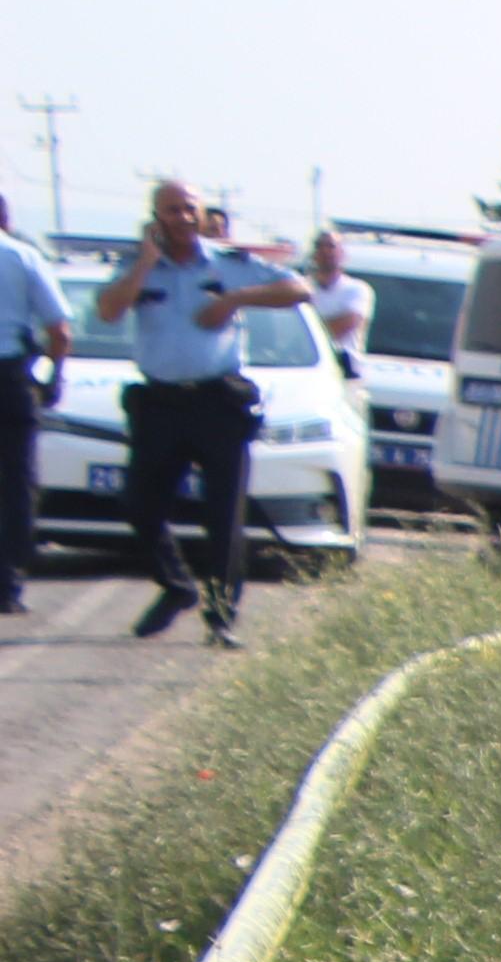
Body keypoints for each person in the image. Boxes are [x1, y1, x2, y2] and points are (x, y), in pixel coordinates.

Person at [91, 181, 310, 642]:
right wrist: (146, 263)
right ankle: (176, 586)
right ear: (156, 217)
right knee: (139, 504)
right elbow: (108, 311)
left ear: (201, 212)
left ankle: (221, 616)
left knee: (223, 514)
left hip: (217, 403)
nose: (183, 218)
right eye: (172, 210)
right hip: (160, 404)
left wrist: (234, 299)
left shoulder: (227, 263)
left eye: (189, 209)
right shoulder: (137, 265)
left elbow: (298, 289)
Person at [0, 193, 69, 617]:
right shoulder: (23, 257)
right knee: (16, 484)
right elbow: (59, 330)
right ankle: (8, 584)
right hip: (10, 380)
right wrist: (53, 376)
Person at [301, 230, 372, 381]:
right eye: (319, 246)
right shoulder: (301, 289)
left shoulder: (357, 289)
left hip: (345, 373)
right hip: (307, 371)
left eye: (331, 246)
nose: (325, 251)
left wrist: (303, 332)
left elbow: (348, 323)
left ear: (343, 253)